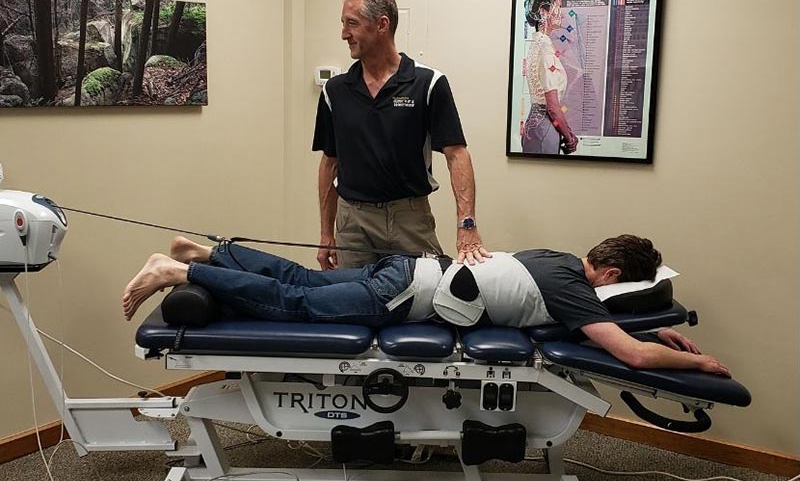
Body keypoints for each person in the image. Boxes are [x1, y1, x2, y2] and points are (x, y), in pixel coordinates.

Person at [122, 235, 730, 376]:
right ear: (614, 276)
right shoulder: (576, 292)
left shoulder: (555, 257)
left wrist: (661, 334)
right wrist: (699, 364)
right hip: (404, 296)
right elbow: (631, 357)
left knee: (304, 280)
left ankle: (209, 250)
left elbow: (623, 330)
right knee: (296, 305)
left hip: (408, 265)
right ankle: (180, 269)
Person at [313, 0, 490, 270]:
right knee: (353, 307)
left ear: (382, 24)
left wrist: (466, 225)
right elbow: (329, 164)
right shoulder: (335, 91)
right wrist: (325, 233)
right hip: (352, 224)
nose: (344, 34)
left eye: (352, 23)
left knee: (429, 301)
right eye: (343, 24)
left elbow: (457, 155)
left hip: (409, 218)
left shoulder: (428, 83)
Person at [521, 0, 579, 155]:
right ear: (543, 11)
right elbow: (552, 106)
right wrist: (569, 137)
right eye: (557, 8)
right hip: (544, 128)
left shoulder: (538, 43)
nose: (561, 14)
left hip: (536, 125)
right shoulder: (545, 47)